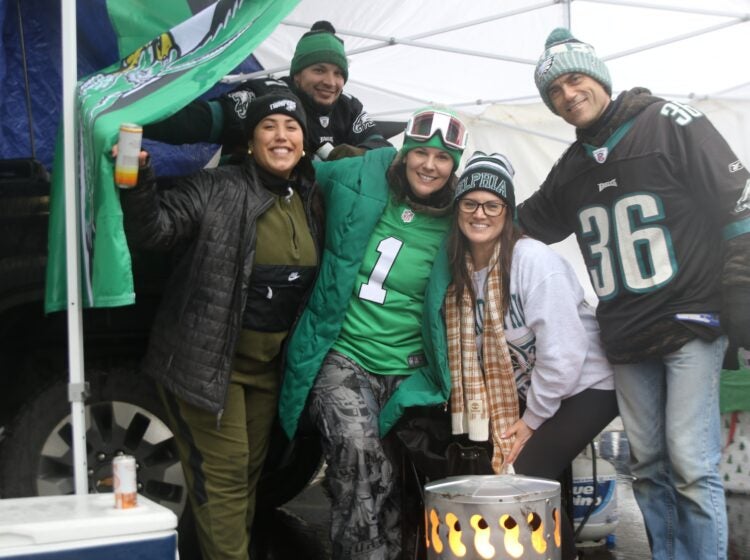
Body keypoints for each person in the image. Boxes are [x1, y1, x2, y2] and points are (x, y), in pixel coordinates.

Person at [517, 27, 750, 560]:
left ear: (598, 76)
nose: (568, 94)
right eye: (554, 91)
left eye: (574, 79)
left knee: (691, 463)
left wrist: (740, 287)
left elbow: (738, 202)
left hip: (690, 318)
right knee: (645, 466)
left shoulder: (670, 122)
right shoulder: (572, 166)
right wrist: (468, 205)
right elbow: (523, 224)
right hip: (625, 332)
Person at [117, 92, 322, 560]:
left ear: (305, 144)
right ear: (250, 141)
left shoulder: (309, 199)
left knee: (247, 475)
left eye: (291, 128)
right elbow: (155, 230)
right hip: (210, 366)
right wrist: (138, 178)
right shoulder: (216, 187)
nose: (281, 136)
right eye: (269, 126)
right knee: (225, 479)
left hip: (267, 371)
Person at [278, 107, 468, 560]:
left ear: (454, 168)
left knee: (402, 481)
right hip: (346, 353)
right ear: (402, 156)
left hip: (411, 370)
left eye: (442, 159)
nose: (429, 165)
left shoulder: (459, 220)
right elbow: (300, 166)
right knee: (360, 460)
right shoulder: (360, 179)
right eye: (420, 152)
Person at [446, 151, 618, 560]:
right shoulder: (462, 269)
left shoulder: (534, 262)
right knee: (543, 483)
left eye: (493, 204)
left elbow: (564, 353)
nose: (480, 214)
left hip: (587, 385)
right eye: (470, 203)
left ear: (508, 211)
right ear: (457, 210)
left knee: (521, 477)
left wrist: (531, 420)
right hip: (539, 386)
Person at [143, 20, 391, 161]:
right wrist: (133, 119)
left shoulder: (349, 107)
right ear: (297, 74)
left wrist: (352, 155)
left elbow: (383, 150)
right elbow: (200, 120)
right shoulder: (268, 93)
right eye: (319, 70)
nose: (331, 81)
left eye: (338, 74)